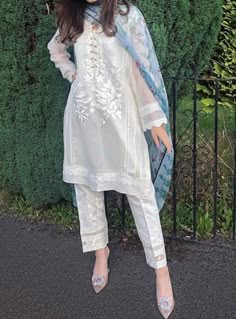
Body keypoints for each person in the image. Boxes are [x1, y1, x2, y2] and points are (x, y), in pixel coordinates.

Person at [47, 0, 175, 317]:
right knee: (87, 189)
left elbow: (140, 72)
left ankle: (161, 270)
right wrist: (72, 75)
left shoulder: (128, 17)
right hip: (82, 120)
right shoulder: (72, 16)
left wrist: (155, 121)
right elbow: (56, 50)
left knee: (140, 190)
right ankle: (100, 251)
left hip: (123, 122)